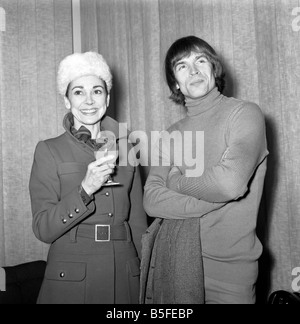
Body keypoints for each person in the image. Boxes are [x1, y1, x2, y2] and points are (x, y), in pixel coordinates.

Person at [142, 36, 268, 304]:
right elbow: (151, 200)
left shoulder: (244, 114)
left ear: (214, 68)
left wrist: (176, 183)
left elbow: (229, 185)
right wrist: (211, 200)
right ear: (175, 82)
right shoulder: (170, 135)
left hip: (231, 276)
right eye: (182, 66)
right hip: (175, 264)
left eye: (200, 60)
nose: (194, 70)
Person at [29, 51, 148, 304]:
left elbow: (138, 223)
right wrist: (84, 190)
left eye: (97, 90)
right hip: (72, 275)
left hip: (124, 272)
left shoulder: (128, 147)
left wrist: (147, 275)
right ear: (66, 100)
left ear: (107, 97)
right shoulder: (48, 150)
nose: (89, 100)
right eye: (78, 91)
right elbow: (42, 228)